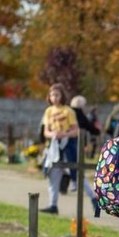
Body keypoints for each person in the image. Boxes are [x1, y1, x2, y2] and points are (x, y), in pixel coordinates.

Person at [39, 83, 79, 215]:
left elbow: (75, 131)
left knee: (77, 173)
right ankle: (53, 205)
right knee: (53, 176)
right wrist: (53, 135)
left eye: (57, 94)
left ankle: (93, 198)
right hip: (53, 147)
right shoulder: (48, 111)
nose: (54, 97)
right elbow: (46, 132)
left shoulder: (68, 111)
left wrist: (64, 134)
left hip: (67, 146)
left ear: (62, 96)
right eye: (52, 95)